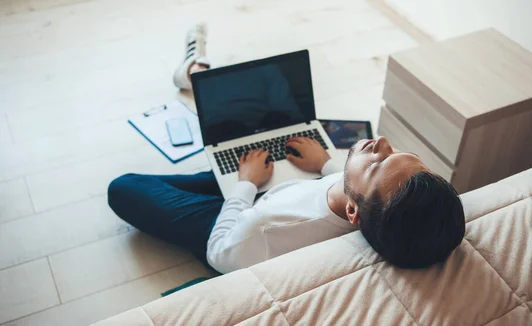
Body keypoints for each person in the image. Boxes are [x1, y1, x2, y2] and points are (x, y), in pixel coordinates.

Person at [107, 24, 465, 274]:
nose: (382, 143)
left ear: (354, 210)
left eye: (376, 164)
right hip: (281, 190)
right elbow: (355, 188)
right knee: (272, 95)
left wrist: (245, 185)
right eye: (405, 155)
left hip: (239, 220)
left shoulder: (265, 231)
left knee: (125, 187)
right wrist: (326, 165)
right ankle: (197, 74)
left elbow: (219, 252)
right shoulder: (379, 212)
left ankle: (195, 69)